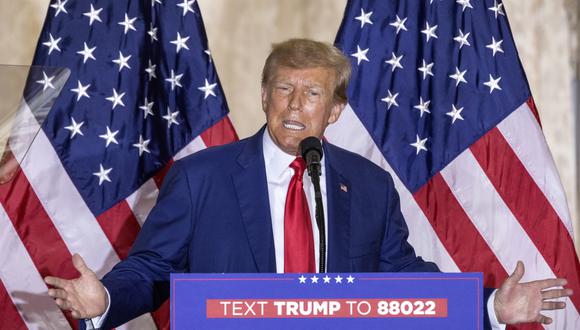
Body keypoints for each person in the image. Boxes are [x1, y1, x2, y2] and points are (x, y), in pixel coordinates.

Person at [45, 39, 572, 329]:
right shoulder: (202, 177)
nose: (295, 105)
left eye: (312, 93)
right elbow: (153, 267)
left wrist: (486, 308)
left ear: (336, 109)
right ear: (265, 97)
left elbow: (401, 278)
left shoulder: (367, 185)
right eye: (283, 89)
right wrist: (107, 300)